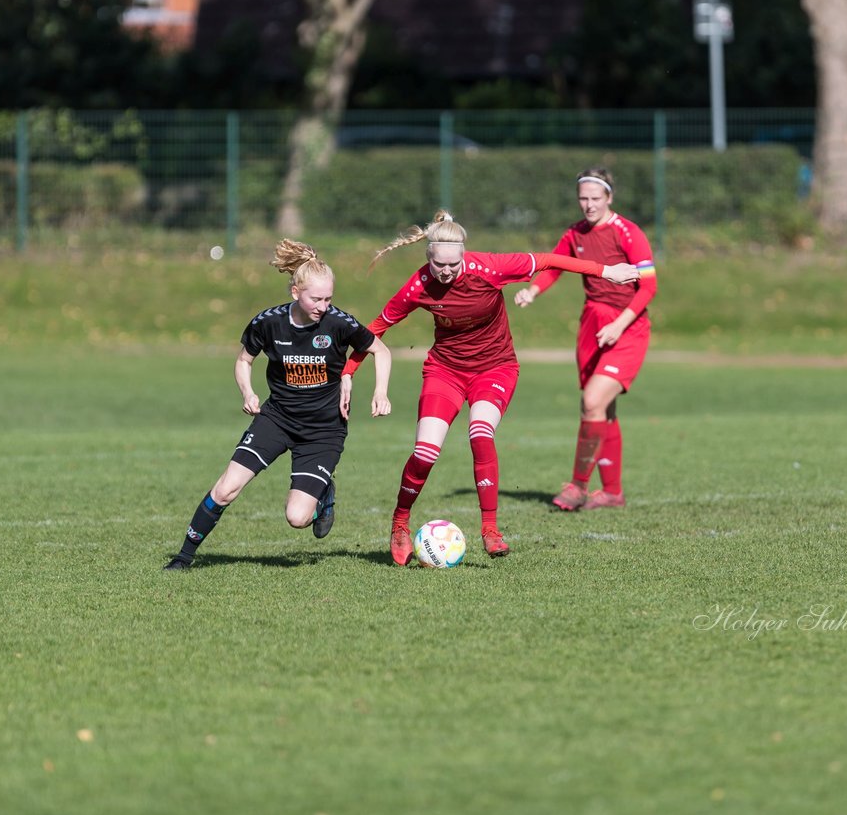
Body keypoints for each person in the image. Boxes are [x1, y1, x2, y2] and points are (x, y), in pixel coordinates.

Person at [341, 209, 640, 566]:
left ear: (464, 255)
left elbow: (547, 260)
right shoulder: (418, 285)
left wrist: (607, 271)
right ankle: (400, 521)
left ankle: (490, 529)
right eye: (440, 265)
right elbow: (375, 329)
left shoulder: (490, 268)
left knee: (480, 433)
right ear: (428, 258)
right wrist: (348, 373)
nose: (447, 271)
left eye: (454, 263)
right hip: (445, 372)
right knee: (425, 452)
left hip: (495, 368)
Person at [163, 239, 392, 570]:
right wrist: (248, 392)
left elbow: (380, 350)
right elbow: (244, 361)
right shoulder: (268, 322)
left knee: (297, 518)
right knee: (227, 488)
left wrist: (380, 392)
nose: (324, 306)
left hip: (323, 430)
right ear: (295, 292)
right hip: (277, 419)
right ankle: (183, 558)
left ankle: (324, 493)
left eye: (329, 298)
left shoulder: (339, 323)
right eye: (316, 298)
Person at [514, 166, 658, 512]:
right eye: (583, 198)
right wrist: (533, 290)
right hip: (592, 325)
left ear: (609, 197)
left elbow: (649, 286)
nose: (589, 205)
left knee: (592, 401)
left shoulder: (628, 232)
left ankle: (579, 486)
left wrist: (620, 325)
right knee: (602, 409)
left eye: (596, 198)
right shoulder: (575, 233)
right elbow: (554, 266)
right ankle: (612, 493)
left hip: (627, 327)